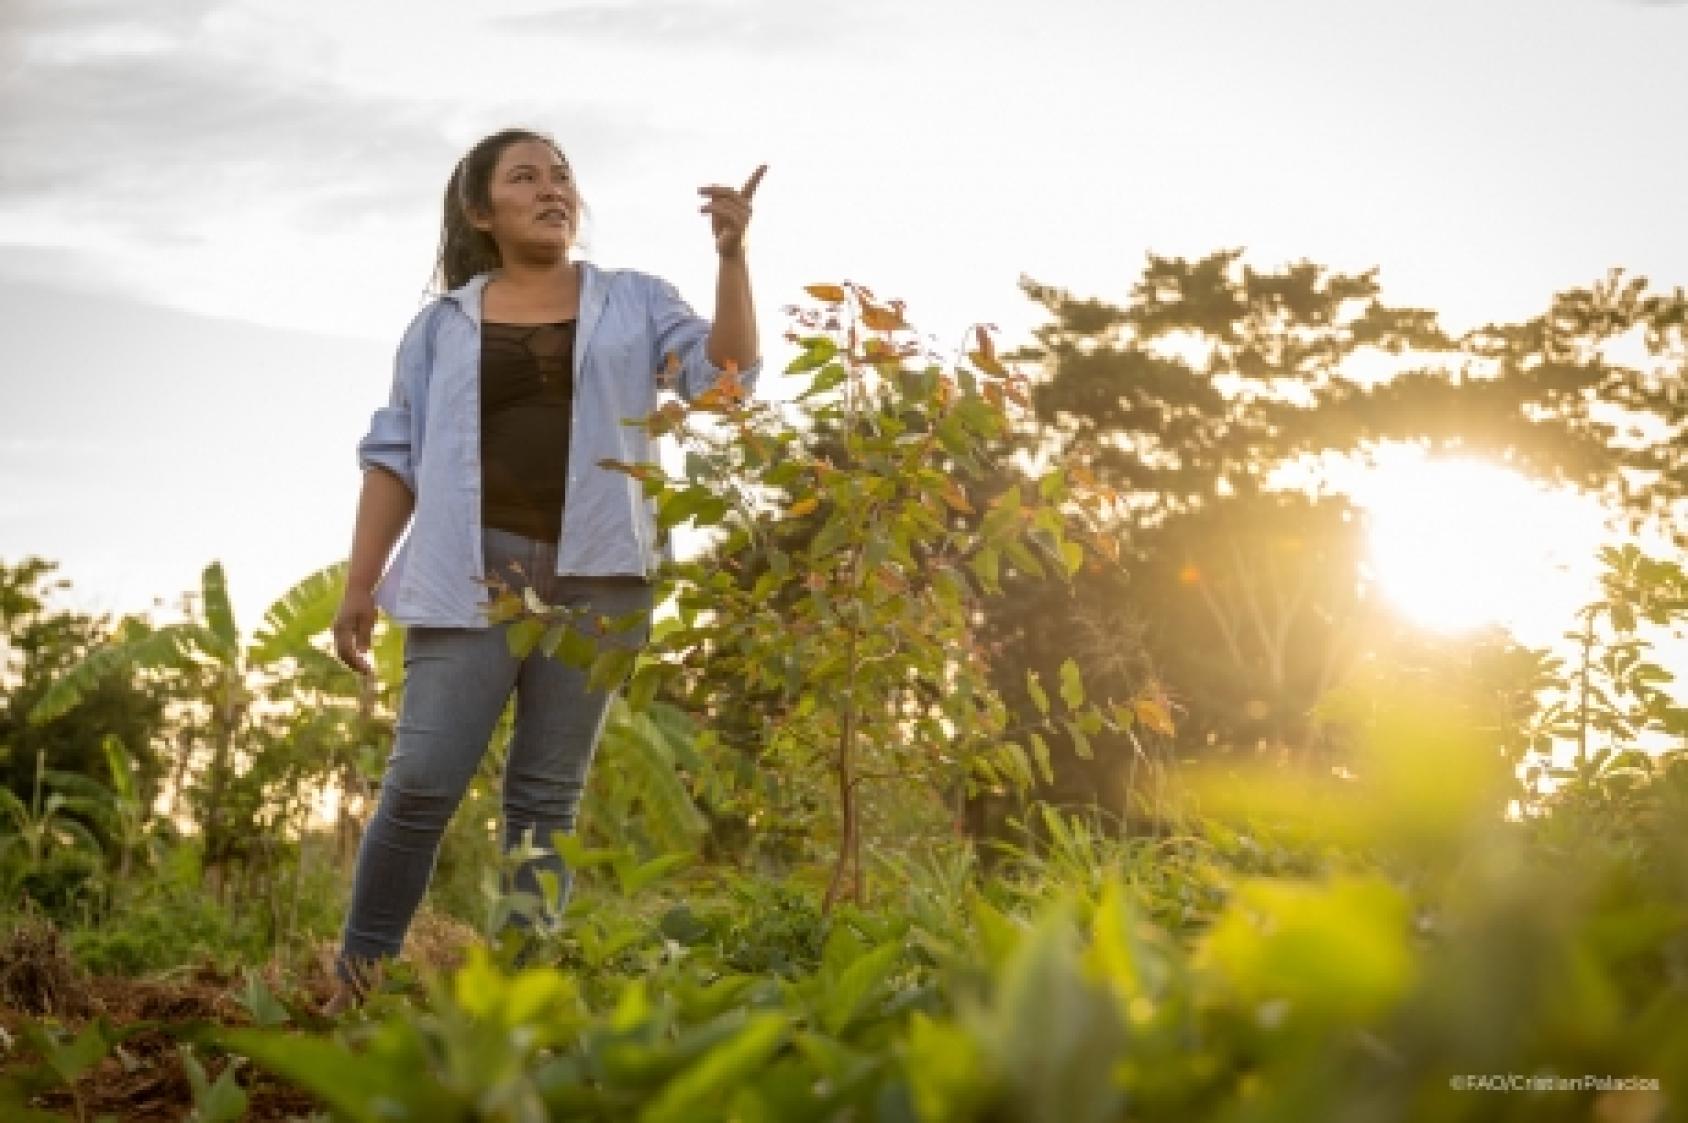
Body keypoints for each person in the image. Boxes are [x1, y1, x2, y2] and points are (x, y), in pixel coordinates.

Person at [324, 127, 765, 1012]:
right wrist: (360, 583)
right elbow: (395, 456)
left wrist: (732, 256)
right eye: (524, 177)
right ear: (482, 212)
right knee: (419, 784)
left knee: (544, 802)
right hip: (467, 577)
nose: (552, 187)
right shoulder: (440, 327)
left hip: (599, 581)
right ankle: (357, 983)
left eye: (562, 174)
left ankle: (521, 1004)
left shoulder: (635, 301)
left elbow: (726, 380)